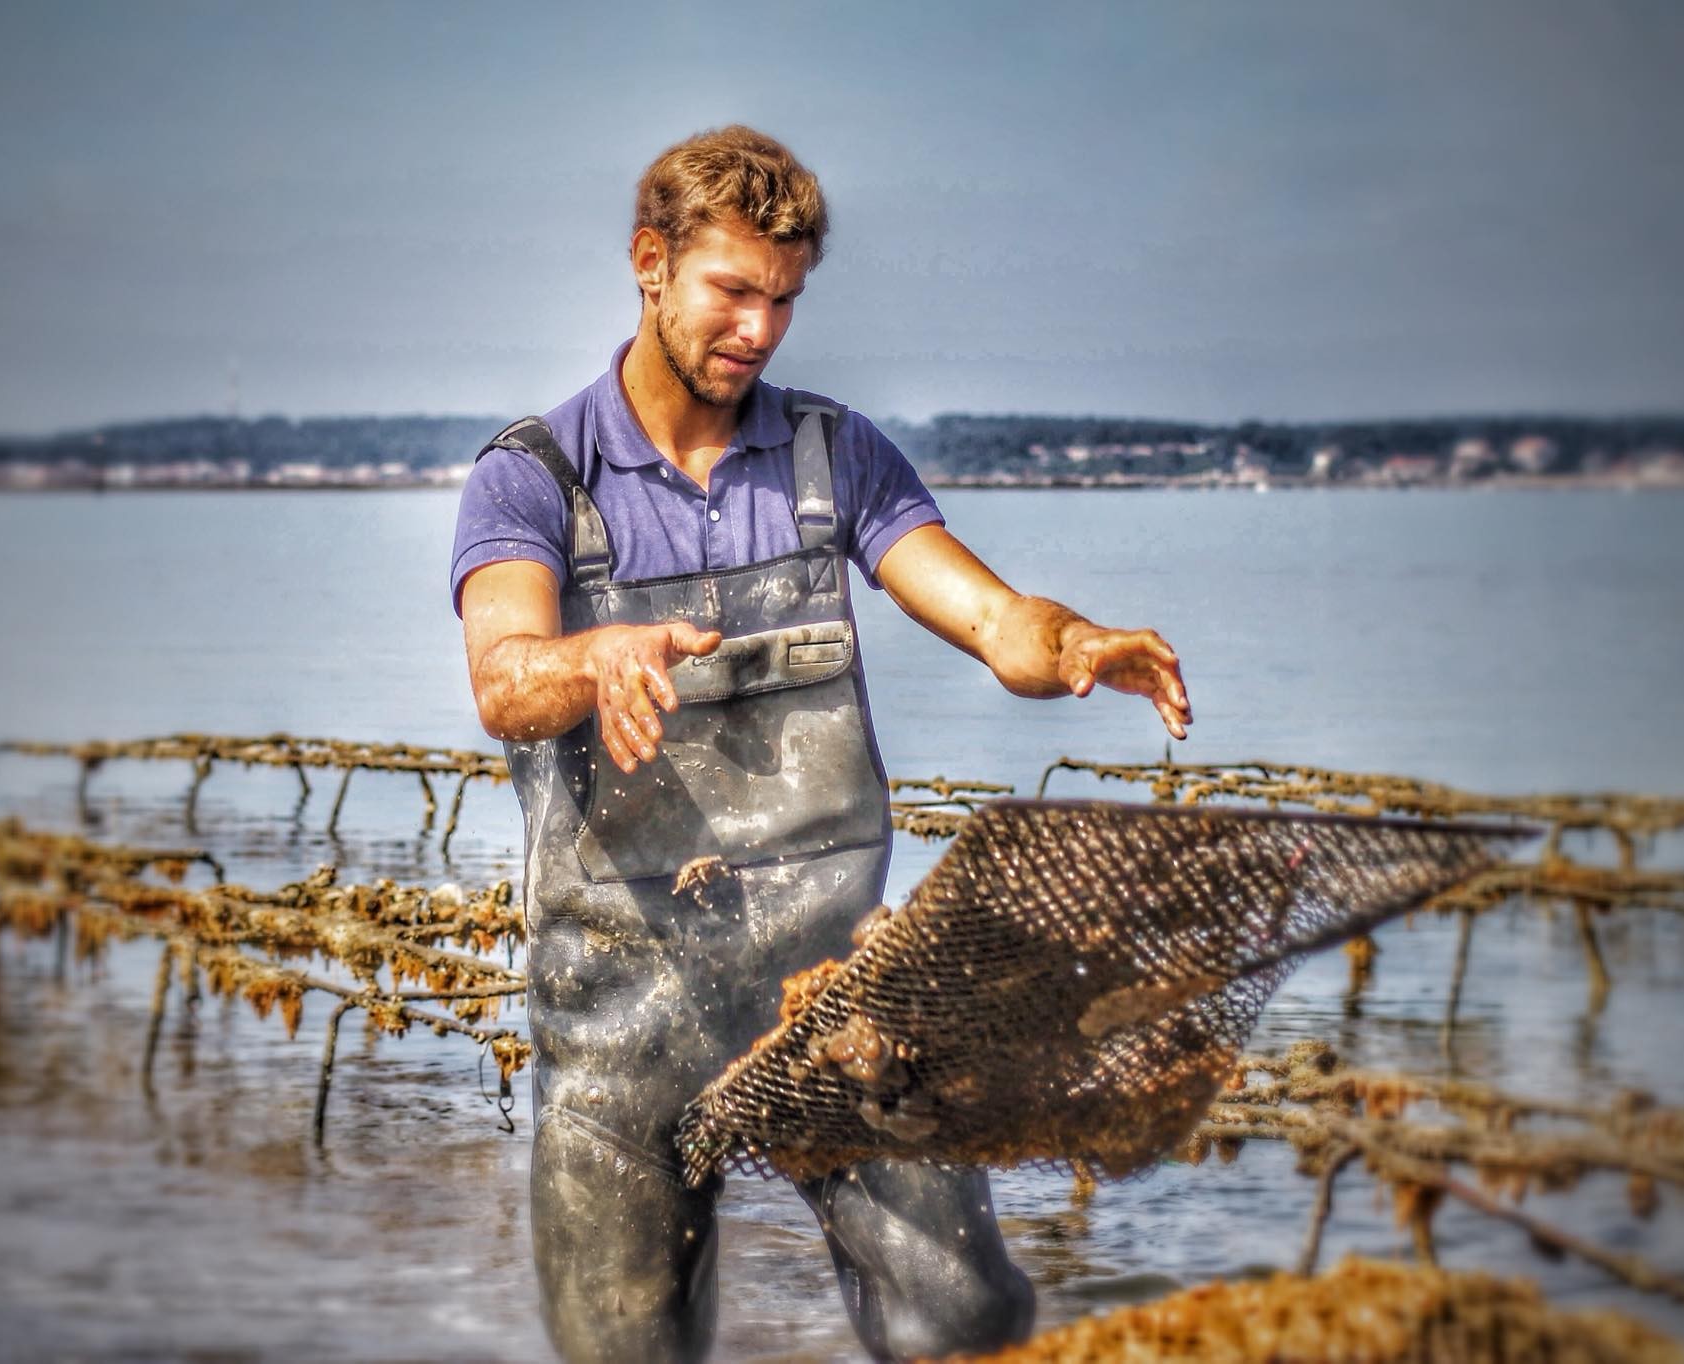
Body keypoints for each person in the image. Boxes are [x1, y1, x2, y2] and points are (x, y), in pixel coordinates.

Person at [450, 125, 1191, 1364]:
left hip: (831, 999)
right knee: (623, 1345)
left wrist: (1067, 645)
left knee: (964, 1315)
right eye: (731, 291)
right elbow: (501, 675)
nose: (758, 328)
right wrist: (597, 656)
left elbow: (989, 614)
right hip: (616, 1011)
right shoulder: (531, 480)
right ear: (650, 262)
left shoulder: (830, 455)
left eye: (782, 299)